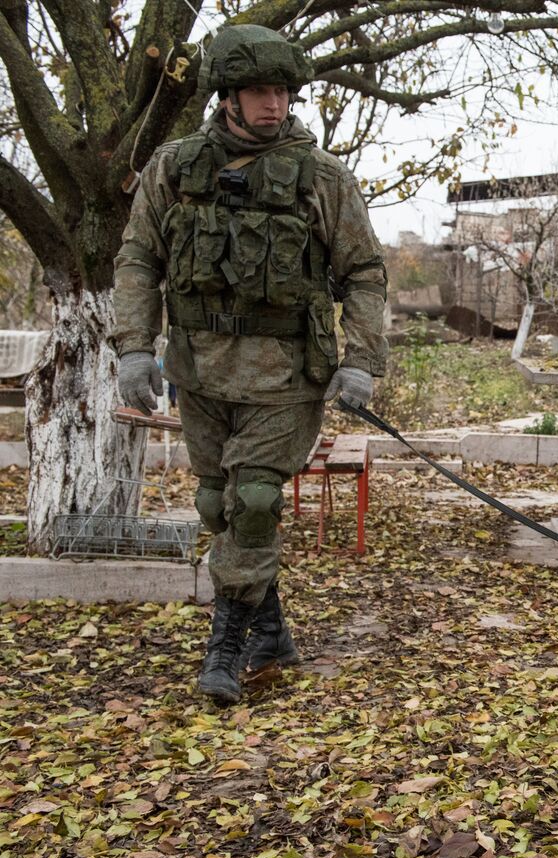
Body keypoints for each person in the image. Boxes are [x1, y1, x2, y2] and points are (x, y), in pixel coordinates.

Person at [113, 25, 388, 704]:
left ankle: (225, 650)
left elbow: (363, 272)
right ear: (227, 97)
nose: (276, 103)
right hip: (200, 371)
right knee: (219, 505)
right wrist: (134, 348)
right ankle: (273, 634)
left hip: (285, 376)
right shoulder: (175, 168)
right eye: (261, 90)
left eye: (284, 91)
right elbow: (139, 258)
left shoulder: (322, 177)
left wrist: (360, 362)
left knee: (256, 501)